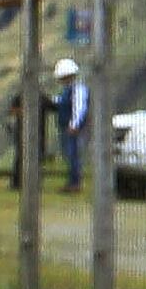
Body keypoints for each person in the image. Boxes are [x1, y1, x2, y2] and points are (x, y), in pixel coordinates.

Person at [49, 55, 90, 193]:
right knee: (68, 154)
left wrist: (74, 124)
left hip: (72, 128)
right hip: (66, 127)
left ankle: (75, 183)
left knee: (73, 154)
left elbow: (80, 107)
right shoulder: (68, 90)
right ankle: (72, 181)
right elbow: (61, 101)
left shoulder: (78, 89)